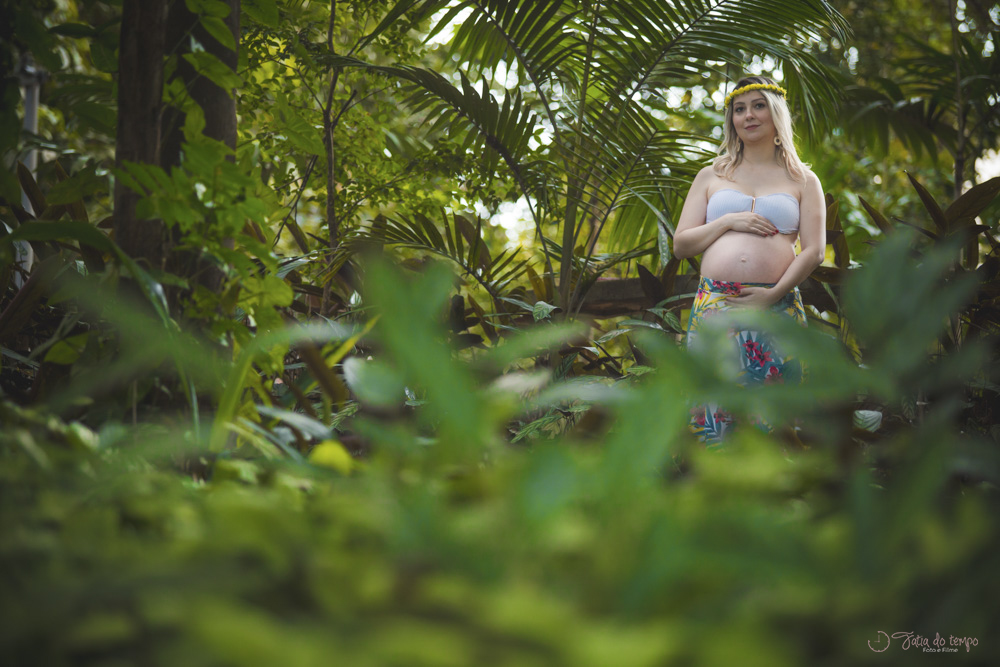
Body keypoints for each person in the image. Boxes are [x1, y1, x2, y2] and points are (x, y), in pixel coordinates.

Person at [672, 76, 826, 445]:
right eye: (739, 109)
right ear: (732, 121)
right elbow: (681, 244)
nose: (748, 115)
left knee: (773, 410)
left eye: (758, 106)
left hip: (776, 305)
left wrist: (771, 297)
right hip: (716, 305)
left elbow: (814, 251)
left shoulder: (803, 179)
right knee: (715, 404)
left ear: (775, 114)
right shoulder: (712, 174)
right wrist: (727, 221)